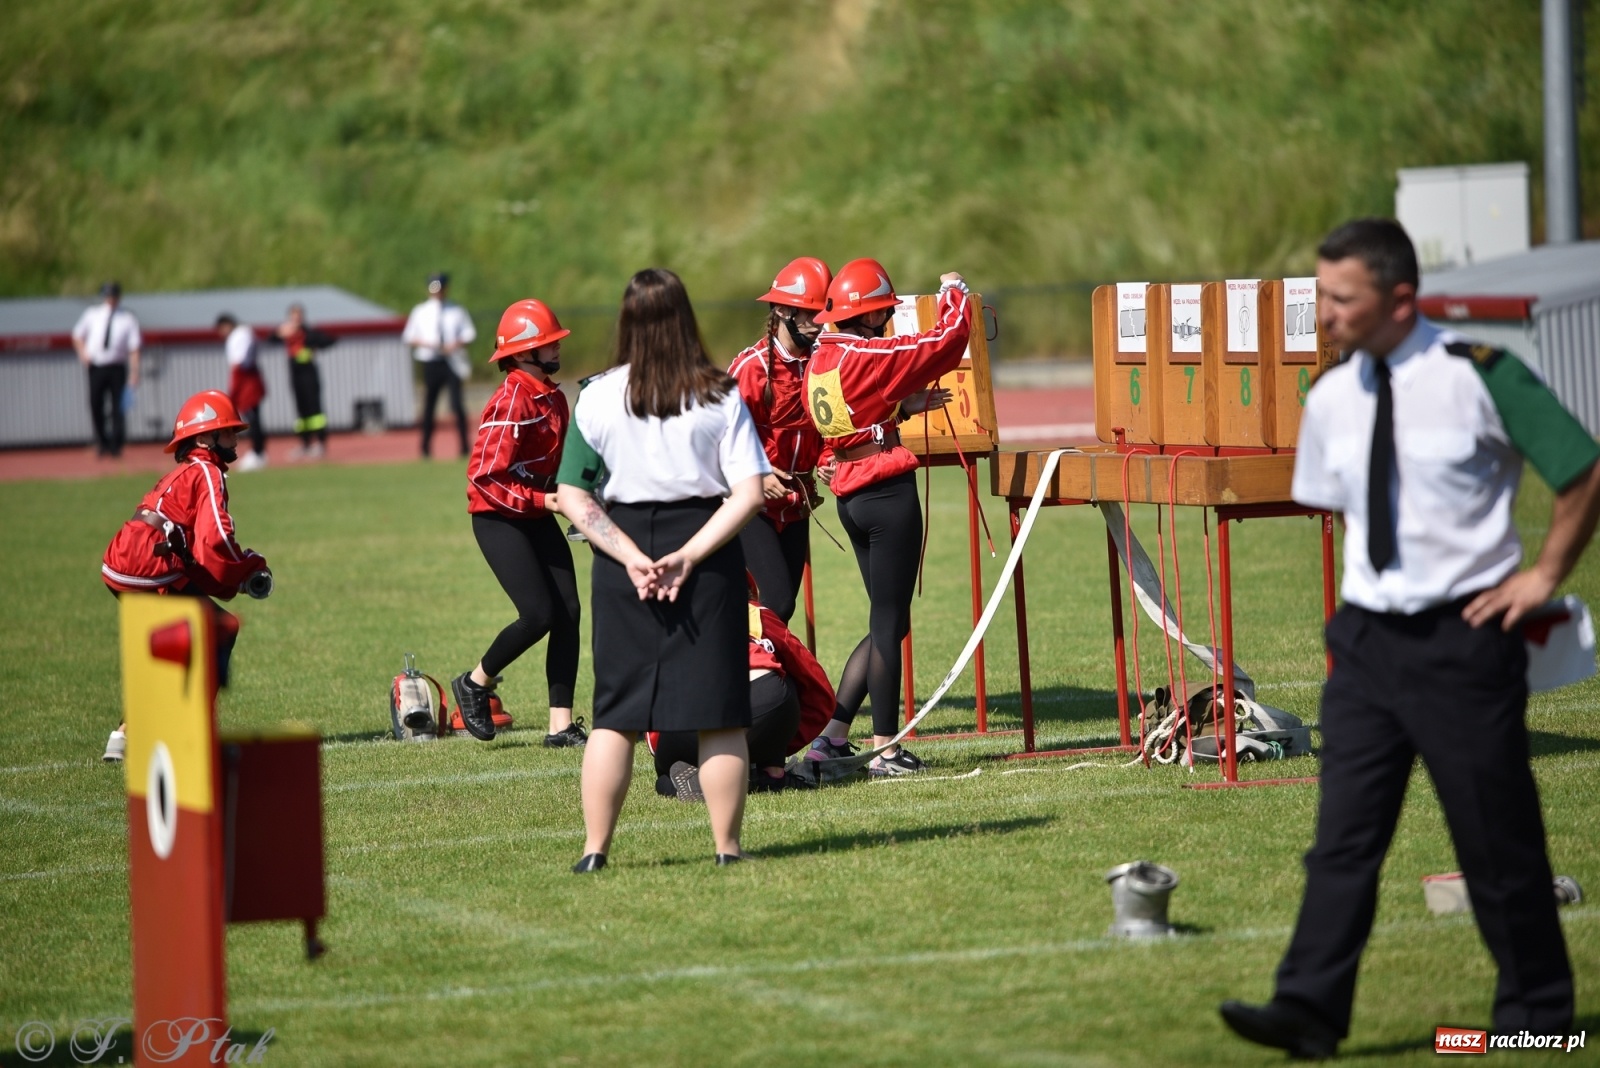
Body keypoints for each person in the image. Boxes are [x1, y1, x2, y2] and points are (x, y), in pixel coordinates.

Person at [1219, 218, 1600, 1057]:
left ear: (1398, 297)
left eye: (1341, 298)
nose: (1324, 314)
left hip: (1462, 642)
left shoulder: (1480, 377)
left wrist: (1541, 577)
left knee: (1495, 838)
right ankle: (1308, 1011)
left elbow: (1582, 470)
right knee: (1343, 839)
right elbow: (1343, 508)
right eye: (1320, 295)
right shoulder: (1332, 396)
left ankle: (1538, 1018)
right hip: (1364, 646)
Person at [556, 268, 769, 871]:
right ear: (686, 319)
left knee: (616, 716)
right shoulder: (720, 393)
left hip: (623, 560)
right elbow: (748, 494)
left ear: (627, 321)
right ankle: (727, 849)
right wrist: (687, 557)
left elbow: (573, 494)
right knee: (720, 714)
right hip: (706, 556)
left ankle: (595, 852)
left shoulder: (596, 396)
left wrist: (630, 556)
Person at [801, 259, 971, 777]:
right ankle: (887, 749)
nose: (888, 322)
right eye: (883, 313)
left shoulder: (821, 357)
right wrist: (955, 293)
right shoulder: (865, 351)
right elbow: (945, 342)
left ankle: (833, 736)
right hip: (886, 497)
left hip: (854, 498)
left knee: (885, 622)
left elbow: (847, 420)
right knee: (889, 623)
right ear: (869, 316)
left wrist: (899, 411)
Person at [100, 390, 274, 762]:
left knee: (182, 644)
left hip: (127, 561)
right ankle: (194, 734)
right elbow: (216, 542)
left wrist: (234, 581)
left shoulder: (185, 472)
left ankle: (124, 736)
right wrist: (249, 565)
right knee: (217, 630)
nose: (235, 438)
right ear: (203, 438)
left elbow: (197, 558)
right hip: (151, 565)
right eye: (227, 431)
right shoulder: (208, 472)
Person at [450, 298, 587, 749]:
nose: (556, 349)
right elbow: (485, 479)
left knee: (568, 610)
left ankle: (560, 727)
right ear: (525, 352)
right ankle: (474, 683)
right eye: (548, 343)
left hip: (534, 512)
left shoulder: (549, 393)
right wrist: (545, 499)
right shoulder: (512, 396)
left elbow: (555, 463)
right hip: (498, 518)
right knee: (538, 614)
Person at [651, 573, 834, 798]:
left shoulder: (676, 622)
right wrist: (791, 735)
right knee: (784, 674)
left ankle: (690, 782)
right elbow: (811, 676)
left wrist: (660, 747)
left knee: (664, 770)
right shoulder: (758, 614)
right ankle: (772, 773)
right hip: (771, 700)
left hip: (707, 713)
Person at [727, 257, 833, 622]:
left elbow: (829, 424)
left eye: (822, 312)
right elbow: (717, 440)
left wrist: (827, 458)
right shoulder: (750, 368)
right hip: (751, 505)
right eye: (808, 312)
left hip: (796, 503)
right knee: (776, 603)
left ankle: (764, 677)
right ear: (783, 311)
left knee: (776, 613)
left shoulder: (823, 362)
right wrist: (756, 472)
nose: (818, 322)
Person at [402, 272, 476, 458]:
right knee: (429, 405)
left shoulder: (456, 310)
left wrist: (454, 344)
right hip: (431, 361)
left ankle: (464, 447)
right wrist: (428, 343)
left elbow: (469, 333)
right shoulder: (420, 311)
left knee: (457, 404)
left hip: (451, 360)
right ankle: (425, 448)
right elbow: (409, 336)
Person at [72, 281, 142, 459]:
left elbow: (134, 347)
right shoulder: (92, 314)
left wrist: (135, 371)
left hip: (117, 366)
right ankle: (101, 442)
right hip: (97, 366)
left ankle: (116, 444)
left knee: (118, 406)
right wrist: (83, 354)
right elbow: (77, 335)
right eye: (108, 295)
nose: (111, 299)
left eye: (113, 295)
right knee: (96, 404)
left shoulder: (127, 318)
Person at [276, 303, 333, 459]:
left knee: (315, 411)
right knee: (301, 413)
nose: (296, 320)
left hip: (310, 376)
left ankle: (320, 443)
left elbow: (328, 341)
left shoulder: (309, 334)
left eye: (299, 316)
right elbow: (270, 338)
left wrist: (313, 347)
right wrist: (280, 332)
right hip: (296, 377)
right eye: (294, 317)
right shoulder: (287, 333)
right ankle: (305, 444)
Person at [216, 314, 268, 471]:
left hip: (247, 383)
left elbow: (238, 365)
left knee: (252, 420)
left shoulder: (238, 336)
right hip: (250, 380)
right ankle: (258, 451)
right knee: (254, 419)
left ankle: (258, 453)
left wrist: (233, 391)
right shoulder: (245, 333)